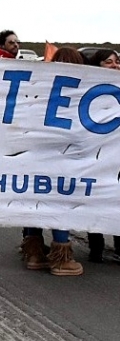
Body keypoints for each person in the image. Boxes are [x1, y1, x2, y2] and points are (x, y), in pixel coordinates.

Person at [19, 46, 85, 276]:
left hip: (37, 155)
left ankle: (34, 252)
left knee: (35, 200)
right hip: (65, 157)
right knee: (60, 203)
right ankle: (61, 257)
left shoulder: (40, 89)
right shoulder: (81, 92)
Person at [84, 48, 120, 263]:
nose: (115, 66)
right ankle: (95, 246)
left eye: (117, 62)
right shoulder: (88, 91)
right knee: (95, 198)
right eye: (109, 62)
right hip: (97, 152)